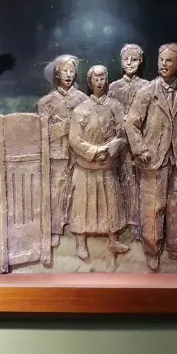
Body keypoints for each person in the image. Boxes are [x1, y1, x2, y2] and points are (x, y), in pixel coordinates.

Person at [125, 43, 177, 271]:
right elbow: (132, 123)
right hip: (153, 160)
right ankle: (152, 250)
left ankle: (176, 246)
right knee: (152, 207)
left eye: (169, 61)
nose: (164, 65)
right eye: (161, 60)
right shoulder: (147, 92)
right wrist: (140, 149)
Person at [68, 65, 130, 260]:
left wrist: (109, 149)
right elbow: (74, 139)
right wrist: (94, 152)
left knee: (111, 201)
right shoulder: (81, 109)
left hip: (107, 163)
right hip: (86, 165)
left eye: (103, 78)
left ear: (107, 80)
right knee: (83, 204)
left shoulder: (115, 107)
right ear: (89, 81)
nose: (99, 82)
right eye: (96, 78)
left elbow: (122, 135)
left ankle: (113, 239)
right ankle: (80, 242)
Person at [37, 54, 89, 249]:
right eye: (64, 71)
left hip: (79, 155)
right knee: (56, 192)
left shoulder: (83, 100)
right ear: (56, 73)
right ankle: (55, 230)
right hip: (57, 155)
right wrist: (68, 125)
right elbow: (45, 133)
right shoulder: (46, 102)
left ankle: (80, 237)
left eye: (72, 71)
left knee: (80, 193)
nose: (68, 75)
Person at [108, 44, 151, 240]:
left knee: (139, 183)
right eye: (126, 59)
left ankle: (138, 223)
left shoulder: (147, 86)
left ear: (140, 61)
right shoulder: (113, 87)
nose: (129, 63)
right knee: (120, 181)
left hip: (140, 143)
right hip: (120, 143)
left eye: (133, 59)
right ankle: (120, 221)